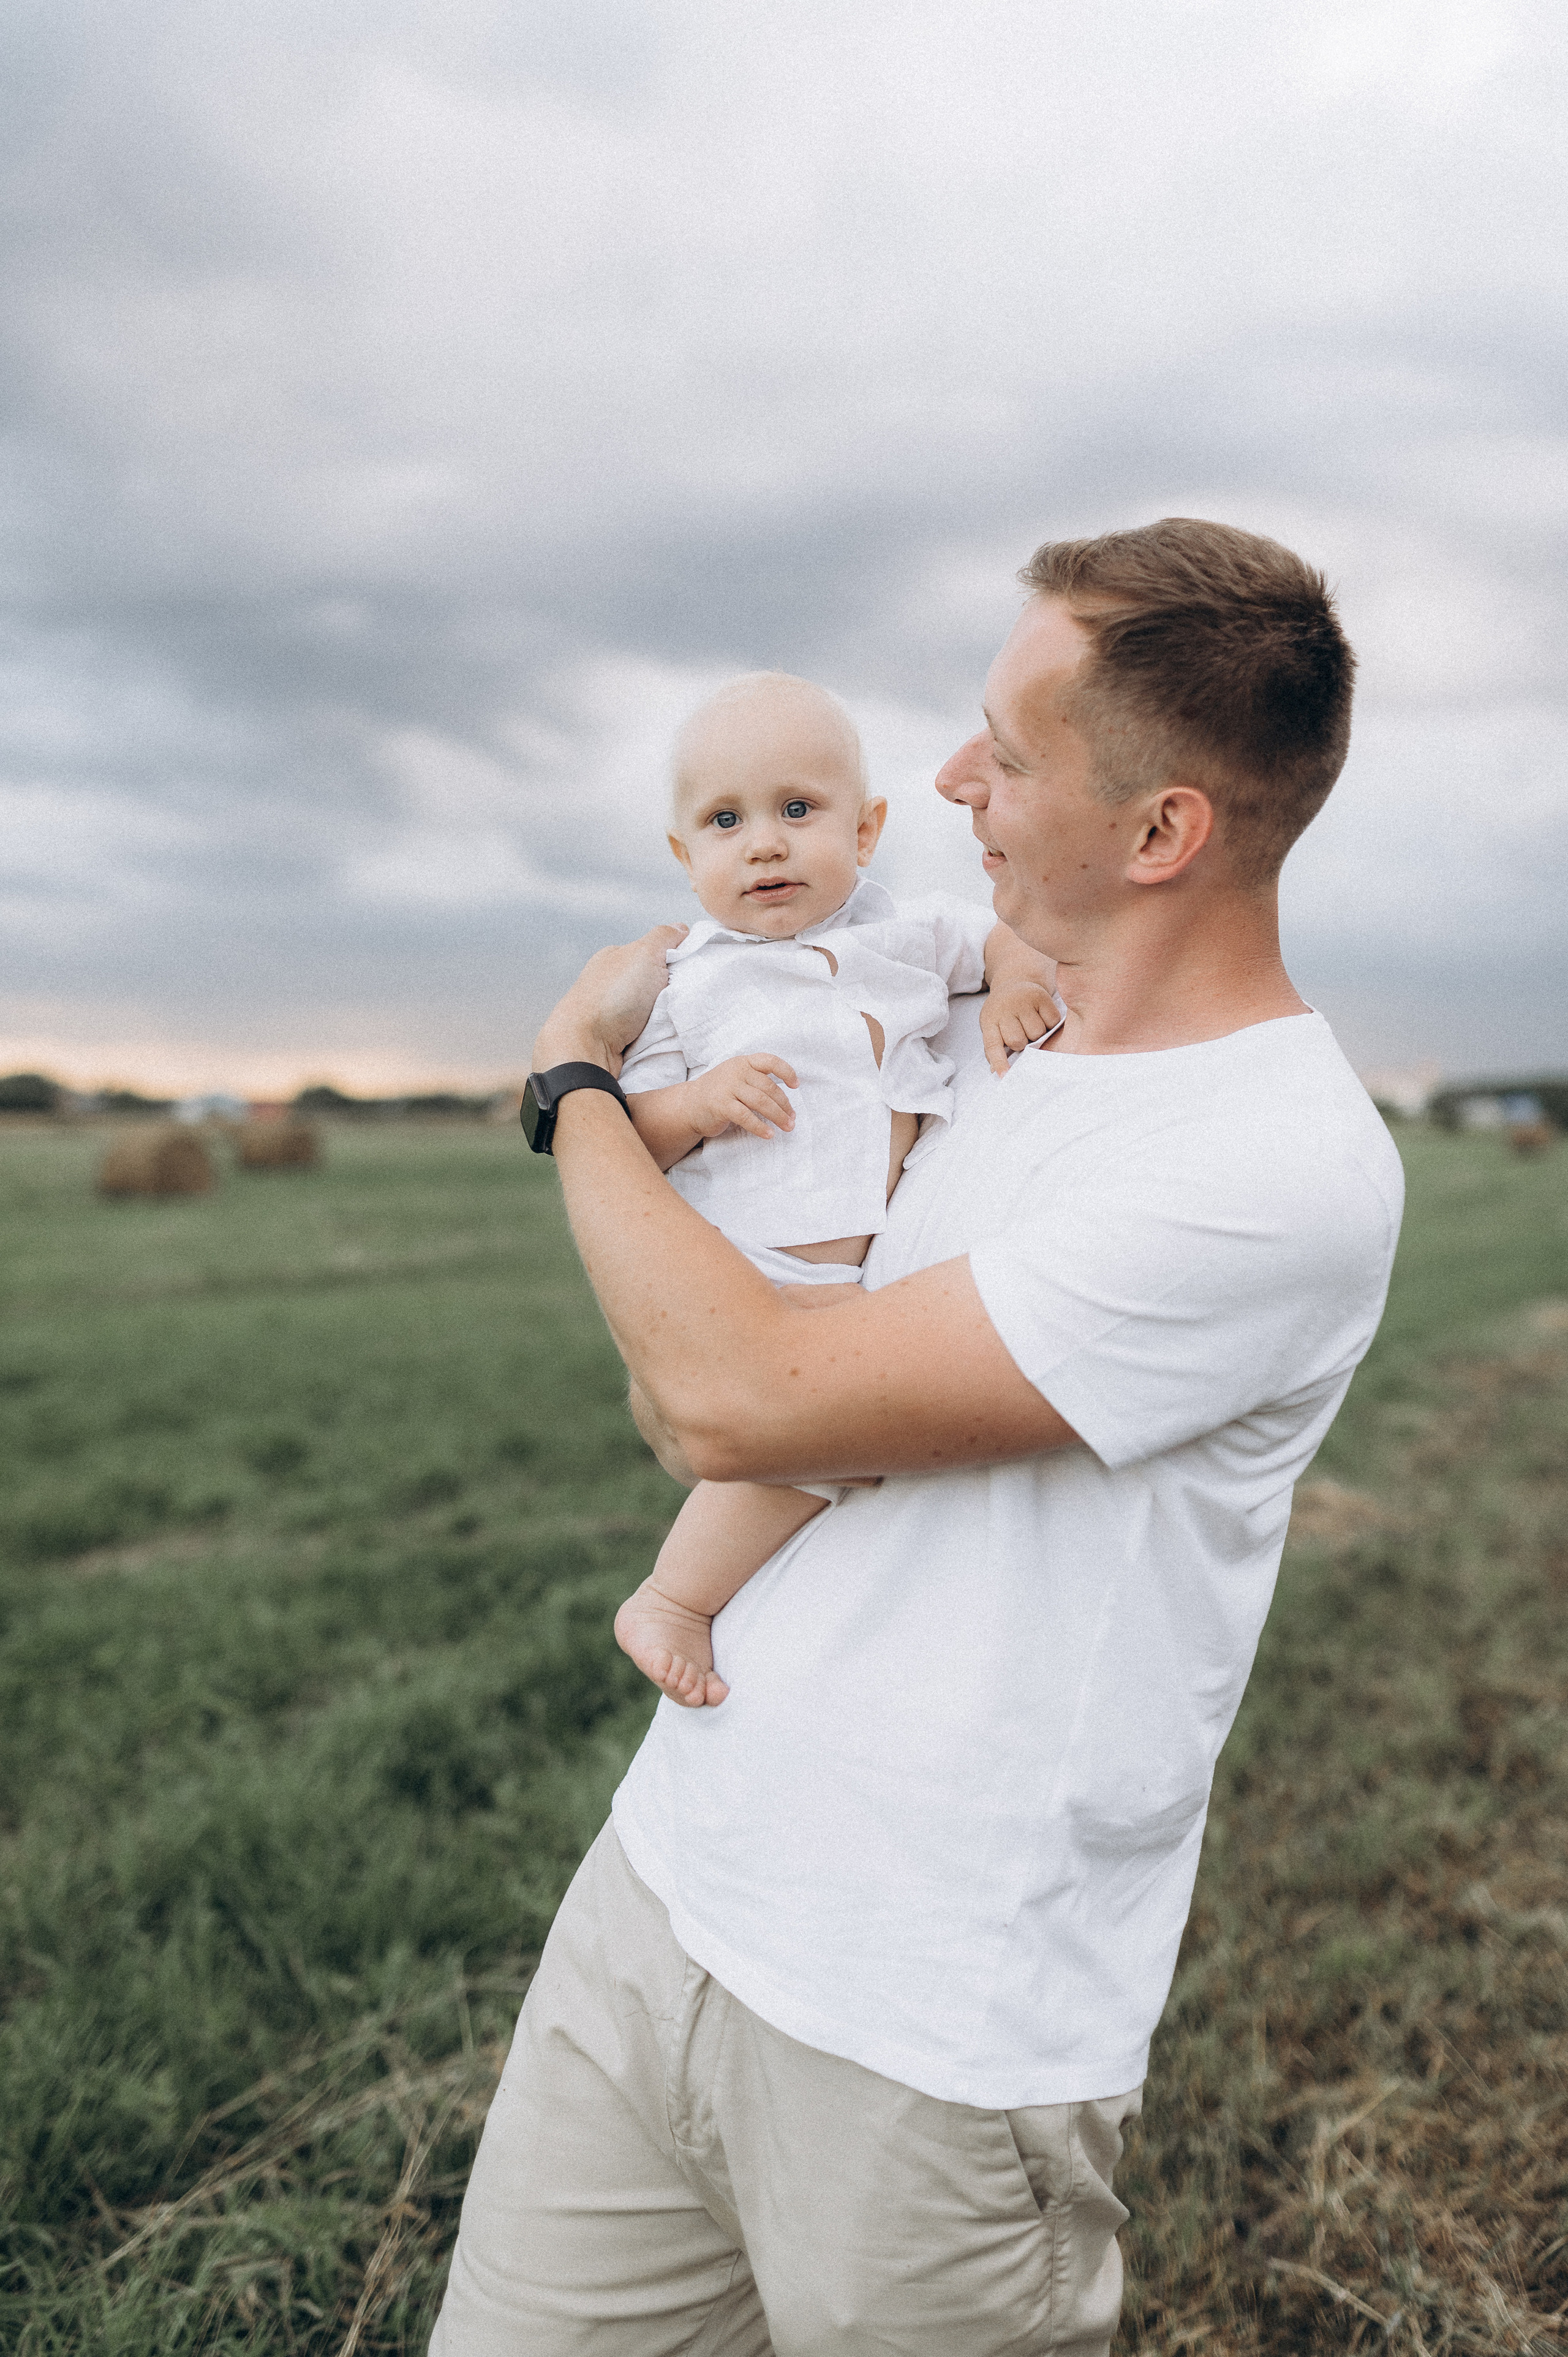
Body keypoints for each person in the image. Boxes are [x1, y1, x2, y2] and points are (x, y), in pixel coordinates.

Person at [430, 519, 1404, 2357]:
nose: (947, 784)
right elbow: (683, 1394)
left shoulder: (1270, 1167)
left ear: (1165, 832)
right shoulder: (976, 1058)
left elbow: (735, 1392)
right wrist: (719, 1307)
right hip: (667, 1894)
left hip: (923, 2038)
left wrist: (573, 1085)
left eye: (1006, 755)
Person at [612, 669, 1060, 1709]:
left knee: (845, 1442)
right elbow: (630, 1134)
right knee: (815, 1438)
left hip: (863, 1269)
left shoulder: (907, 934)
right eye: (725, 821)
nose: (763, 842)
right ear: (687, 859)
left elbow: (1003, 939)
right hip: (747, 1262)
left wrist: (1020, 987)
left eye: (797, 810)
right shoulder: (688, 985)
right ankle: (675, 1597)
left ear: (867, 832)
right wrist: (700, 1103)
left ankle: (774, 1606)